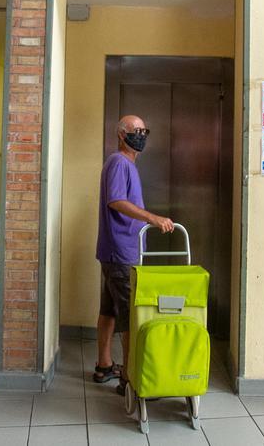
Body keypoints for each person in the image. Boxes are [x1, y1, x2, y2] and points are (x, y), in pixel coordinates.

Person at [92, 114, 175, 395]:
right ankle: (128, 378)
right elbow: (115, 200)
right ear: (121, 134)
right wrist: (151, 218)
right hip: (121, 251)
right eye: (135, 130)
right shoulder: (118, 162)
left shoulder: (127, 164)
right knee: (128, 314)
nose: (141, 135)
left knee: (109, 310)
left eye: (144, 130)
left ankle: (104, 366)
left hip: (116, 251)